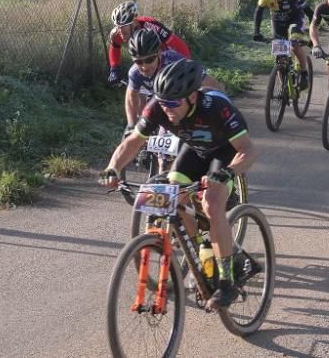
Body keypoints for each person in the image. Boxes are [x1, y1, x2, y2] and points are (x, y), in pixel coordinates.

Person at [100, 59, 256, 310]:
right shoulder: (158, 107)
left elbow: (248, 151)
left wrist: (229, 172)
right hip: (193, 150)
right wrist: (113, 167)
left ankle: (226, 281)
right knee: (173, 196)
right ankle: (201, 253)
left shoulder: (217, 108)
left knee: (212, 203)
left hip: (224, 152)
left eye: (173, 104)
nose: (167, 109)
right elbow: (132, 142)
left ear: (192, 97)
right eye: (163, 103)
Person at [123, 29, 222, 127]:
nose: (144, 66)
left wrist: (225, 111)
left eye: (149, 59)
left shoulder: (174, 61)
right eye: (138, 62)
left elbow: (212, 84)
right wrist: (131, 126)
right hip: (161, 104)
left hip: (184, 105)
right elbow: (131, 96)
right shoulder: (134, 72)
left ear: (159, 53)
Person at [107, 1, 190, 85]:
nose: (120, 30)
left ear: (134, 22)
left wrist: (186, 64)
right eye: (117, 26)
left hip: (164, 54)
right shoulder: (117, 34)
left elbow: (177, 44)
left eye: (123, 26)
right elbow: (114, 48)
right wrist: (114, 69)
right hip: (146, 60)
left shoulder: (150, 26)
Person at [253, 0, 313, 89]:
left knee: (294, 43)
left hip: (295, 19)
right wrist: (256, 32)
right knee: (280, 58)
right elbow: (258, 13)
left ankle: (304, 73)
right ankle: (284, 87)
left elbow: (309, 11)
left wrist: (312, 30)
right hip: (278, 22)